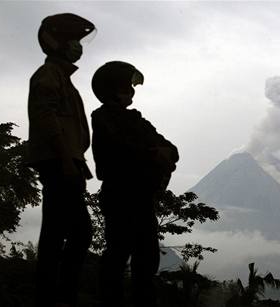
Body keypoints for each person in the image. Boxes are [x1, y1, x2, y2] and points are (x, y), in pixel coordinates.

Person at [91, 61, 179, 307]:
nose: (131, 91)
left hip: (141, 197)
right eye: (126, 86)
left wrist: (161, 153)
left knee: (147, 257)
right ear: (114, 88)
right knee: (118, 253)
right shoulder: (102, 118)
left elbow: (172, 149)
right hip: (119, 195)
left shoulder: (137, 120)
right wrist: (154, 153)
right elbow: (120, 149)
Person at [27, 13, 96, 307]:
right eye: (74, 40)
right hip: (60, 164)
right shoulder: (49, 75)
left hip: (68, 162)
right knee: (72, 232)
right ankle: (56, 294)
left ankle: (56, 293)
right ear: (58, 42)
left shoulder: (63, 78)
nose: (78, 46)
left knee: (63, 232)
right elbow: (46, 116)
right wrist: (65, 158)